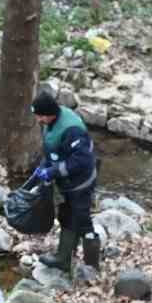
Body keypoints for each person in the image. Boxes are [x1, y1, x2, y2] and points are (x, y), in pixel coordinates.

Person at [31, 90, 100, 272]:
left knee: (83, 221)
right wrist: (44, 166)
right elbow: (52, 150)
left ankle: (92, 266)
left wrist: (53, 171)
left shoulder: (72, 129)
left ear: (49, 113)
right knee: (66, 216)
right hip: (66, 182)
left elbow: (81, 160)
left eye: (40, 116)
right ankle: (63, 259)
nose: (38, 120)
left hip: (81, 181)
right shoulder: (50, 122)